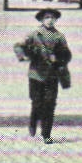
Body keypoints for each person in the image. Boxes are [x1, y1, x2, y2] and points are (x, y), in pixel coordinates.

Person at [13, 9, 71, 143]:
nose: (50, 20)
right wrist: (23, 56)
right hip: (36, 75)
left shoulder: (59, 36)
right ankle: (33, 121)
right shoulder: (34, 34)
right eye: (47, 18)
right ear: (41, 20)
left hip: (52, 75)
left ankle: (47, 134)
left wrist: (58, 58)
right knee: (37, 103)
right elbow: (18, 46)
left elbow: (66, 54)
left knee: (50, 104)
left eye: (52, 18)